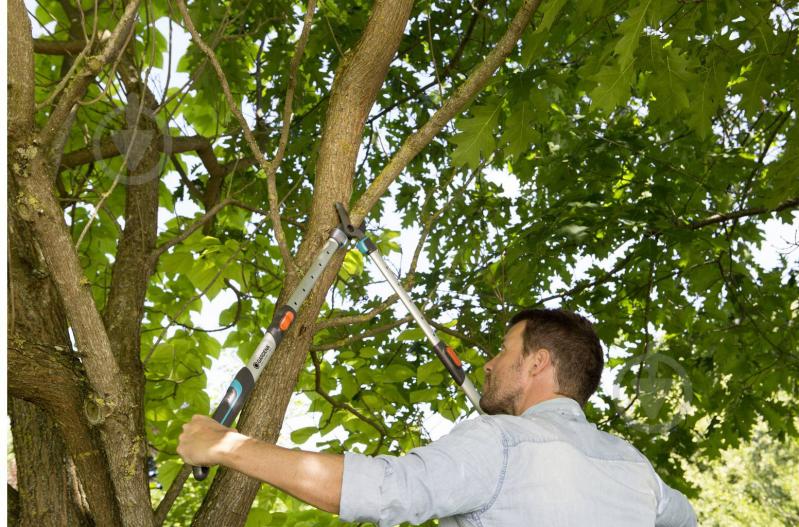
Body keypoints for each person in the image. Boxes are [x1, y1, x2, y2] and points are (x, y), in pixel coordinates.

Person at [178, 308, 697, 526]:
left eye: (503, 350)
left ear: (538, 362)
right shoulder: (634, 469)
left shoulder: (502, 443)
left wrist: (225, 445)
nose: (489, 364)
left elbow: (384, 489)